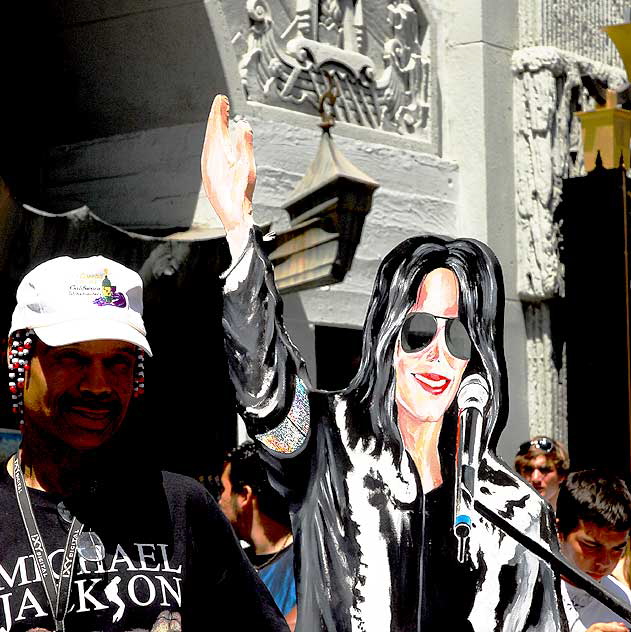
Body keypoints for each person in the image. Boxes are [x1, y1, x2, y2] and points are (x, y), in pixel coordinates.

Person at [202, 95, 569, 631]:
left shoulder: (517, 511)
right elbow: (266, 393)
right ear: (386, 341)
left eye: (460, 337)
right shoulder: (327, 446)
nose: (438, 353)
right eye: (419, 331)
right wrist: (239, 228)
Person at [1, 255, 288, 631]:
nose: (98, 385)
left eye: (118, 362)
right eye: (71, 358)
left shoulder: (180, 506)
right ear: (19, 359)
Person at [218, 441, 297, 630]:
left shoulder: (308, 561)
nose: (219, 500)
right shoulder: (229, 566)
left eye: (223, 489)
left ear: (244, 495)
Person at [557, 470, 631, 632]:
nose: (604, 562)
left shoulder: (625, 604)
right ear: (560, 531)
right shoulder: (519, 589)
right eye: (591, 546)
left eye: (617, 549)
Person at [515, 435, 570, 510]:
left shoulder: (579, 518)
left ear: (561, 475)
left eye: (544, 470)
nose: (535, 478)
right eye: (528, 470)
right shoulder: (509, 516)